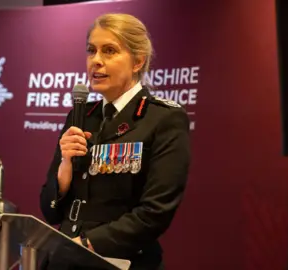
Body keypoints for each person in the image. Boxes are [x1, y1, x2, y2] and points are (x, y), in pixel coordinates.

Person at [39, 13, 191, 270]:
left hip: (121, 262)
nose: (96, 61)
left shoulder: (163, 118)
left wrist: (86, 244)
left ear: (137, 61)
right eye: (91, 50)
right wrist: (64, 172)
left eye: (109, 51)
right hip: (64, 260)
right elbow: (50, 211)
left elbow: (155, 212)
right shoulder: (80, 116)